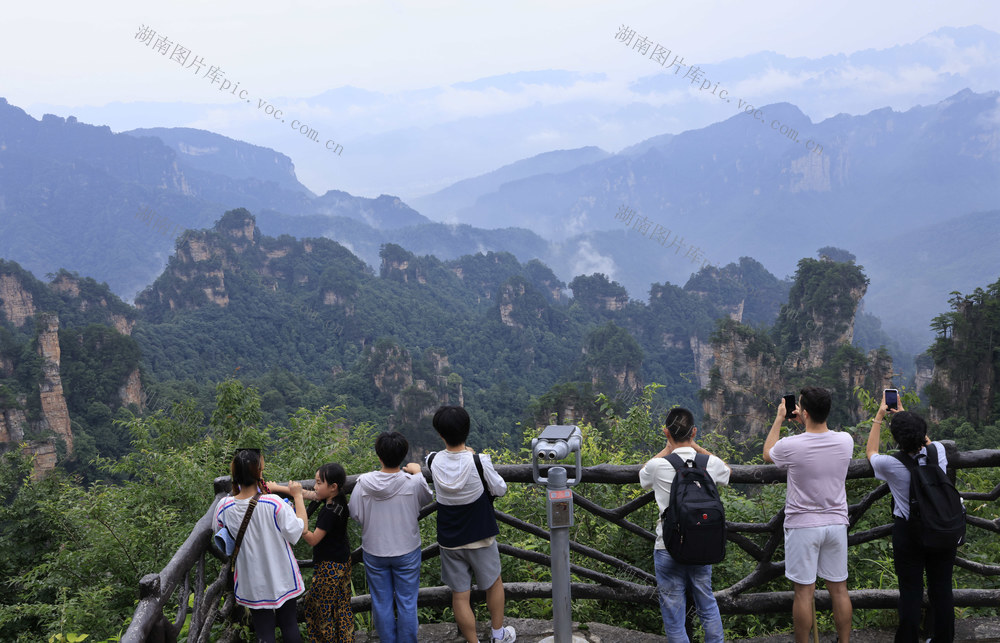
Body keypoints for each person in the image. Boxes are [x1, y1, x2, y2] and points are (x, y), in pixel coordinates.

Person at [763, 386, 853, 643]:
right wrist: (806, 420)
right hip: (836, 523)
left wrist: (780, 418)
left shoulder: (791, 446)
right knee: (839, 589)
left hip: (803, 525)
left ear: (802, 412)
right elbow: (820, 440)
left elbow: (768, 453)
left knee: (804, 593)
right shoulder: (846, 440)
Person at [865, 393, 956, 642]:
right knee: (942, 590)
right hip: (942, 528)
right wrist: (906, 416)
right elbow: (927, 442)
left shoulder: (890, 464)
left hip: (909, 533)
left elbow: (871, 450)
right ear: (923, 432)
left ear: (896, 440)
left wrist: (879, 417)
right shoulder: (938, 451)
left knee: (911, 592)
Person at [425, 406, 516, 643]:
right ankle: (498, 635)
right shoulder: (478, 461)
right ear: (467, 430)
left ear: (440, 434)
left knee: (460, 595)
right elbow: (500, 489)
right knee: (494, 584)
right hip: (480, 535)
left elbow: (428, 463)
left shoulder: (432, 461)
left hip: (450, 540)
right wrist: (473, 456)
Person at [639, 407, 730, 642]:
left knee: (673, 614)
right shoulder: (709, 463)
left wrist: (668, 447)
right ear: (694, 432)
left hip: (667, 547)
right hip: (702, 544)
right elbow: (727, 472)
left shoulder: (658, 466)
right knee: (707, 602)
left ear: (666, 433)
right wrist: (697, 448)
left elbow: (642, 477)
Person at [348, 431, 433, 643]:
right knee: (407, 601)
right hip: (407, 550)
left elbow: (356, 514)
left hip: (375, 550)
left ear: (379, 456)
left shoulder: (363, 483)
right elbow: (427, 499)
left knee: (381, 601)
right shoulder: (413, 482)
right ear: (404, 455)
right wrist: (418, 473)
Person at [214, 449, 305, 643]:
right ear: (259, 473)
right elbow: (297, 531)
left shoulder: (223, 506)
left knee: (264, 633)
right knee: (289, 626)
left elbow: (221, 532)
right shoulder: (273, 503)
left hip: (251, 580)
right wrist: (297, 496)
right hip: (282, 577)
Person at [272, 463, 354, 643]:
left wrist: (296, 522)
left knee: (319, 607)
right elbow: (308, 494)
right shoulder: (337, 500)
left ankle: (325, 640)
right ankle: (345, 639)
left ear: (332, 487)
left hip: (329, 566)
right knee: (341, 603)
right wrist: (278, 488)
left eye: (318, 483)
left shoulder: (329, 512)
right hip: (342, 560)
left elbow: (313, 539)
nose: (315, 487)